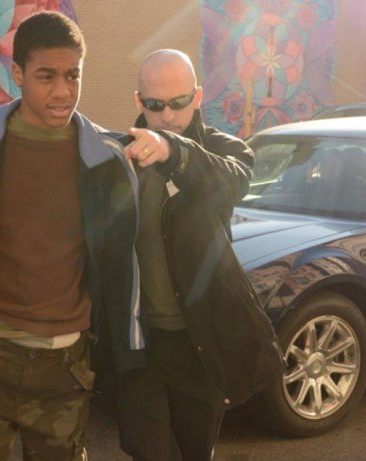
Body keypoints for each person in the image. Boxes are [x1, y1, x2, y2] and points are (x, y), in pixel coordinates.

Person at [0, 11, 152, 460]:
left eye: (72, 75)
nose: (62, 91)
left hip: (65, 366)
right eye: (46, 76)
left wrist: (129, 349)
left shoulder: (107, 159)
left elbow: (125, 263)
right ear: (18, 74)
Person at [117, 49, 285, 461]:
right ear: (139, 101)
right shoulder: (120, 157)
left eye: (178, 102)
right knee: (146, 450)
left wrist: (174, 151)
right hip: (138, 343)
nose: (168, 116)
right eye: (155, 104)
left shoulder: (224, 150)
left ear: (197, 96)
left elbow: (229, 182)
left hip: (197, 342)